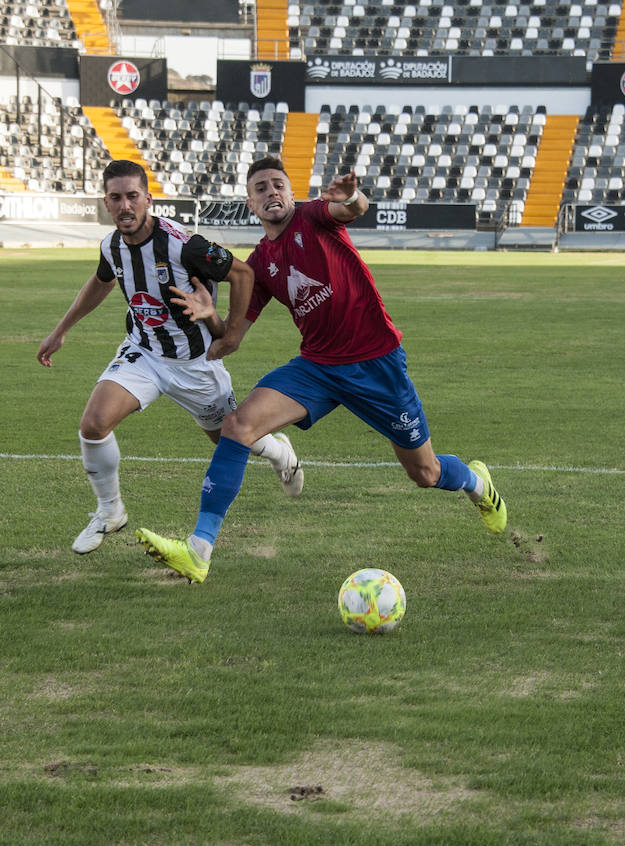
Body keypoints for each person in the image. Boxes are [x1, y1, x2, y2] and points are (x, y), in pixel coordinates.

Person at [136, 157, 507, 583]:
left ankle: (477, 484)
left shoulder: (313, 216)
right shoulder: (257, 266)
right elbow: (230, 341)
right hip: (317, 368)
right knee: (237, 425)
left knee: (425, 472)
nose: (271, 192)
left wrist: (349, 195)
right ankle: (198, 551)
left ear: (291, 192)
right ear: (250, 204)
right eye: (261, 188)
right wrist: (210, 316)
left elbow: (353, 209)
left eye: (278, 184)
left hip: (376, 364)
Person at [36, 159, 304, 555]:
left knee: (230, 441)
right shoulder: (111, 246)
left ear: (148, 198)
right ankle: (110, 511)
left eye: (132, 197)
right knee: (93, 424)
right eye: (116, 198)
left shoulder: (183, 244)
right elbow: (102, 280)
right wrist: (61, 330)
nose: (125, 206)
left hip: (196, 365)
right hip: (143, 353)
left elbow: (244, 274)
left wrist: (229, 334)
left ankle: (278, 451)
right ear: (106, 203)